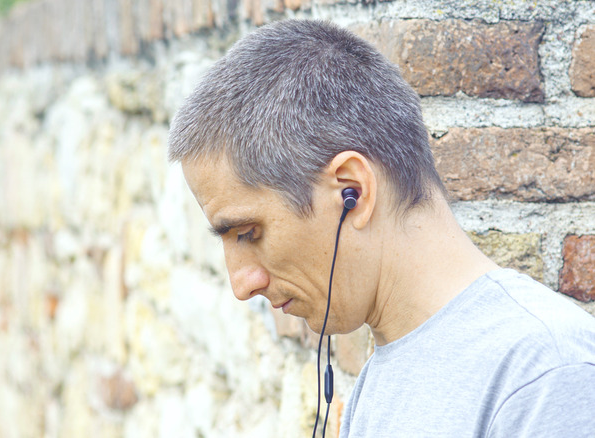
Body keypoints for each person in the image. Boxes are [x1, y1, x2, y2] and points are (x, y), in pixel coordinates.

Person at [167, 19, 595, 437]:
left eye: (247, 233)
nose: (242, 284)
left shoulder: (546, 375)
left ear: (352, 190)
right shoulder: (389, 369)